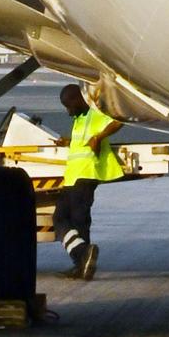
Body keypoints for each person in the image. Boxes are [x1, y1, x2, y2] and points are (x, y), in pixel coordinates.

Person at [53, 83, 124, 277]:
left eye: (69, 105)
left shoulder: (94, 114)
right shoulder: (80, 119)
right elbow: (82, 141)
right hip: (74, 177)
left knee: (73, 220)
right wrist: (68, 142)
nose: (68, 111)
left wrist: (99, 138)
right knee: (66, 219)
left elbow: (118, 121)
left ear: (80, 99)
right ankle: (82, 260)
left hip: (85, 176)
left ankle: (82, 257)